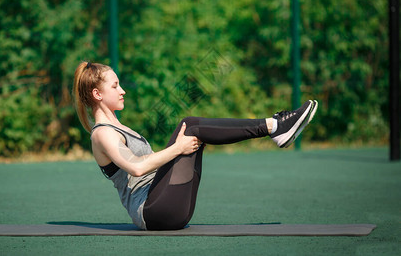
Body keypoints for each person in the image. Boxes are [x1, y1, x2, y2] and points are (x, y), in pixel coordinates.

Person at [73, 61, 318, 230]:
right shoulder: (102, 134)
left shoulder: (119, 127)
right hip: (153, 212)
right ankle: (274, 127)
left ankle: (275, 128)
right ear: (97, 94)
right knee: (190, 126)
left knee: (192, 130)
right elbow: (137, 169)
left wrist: (179, 148)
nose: (123, 90)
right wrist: (178, 149)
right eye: (115, 86)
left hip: (169, 207)